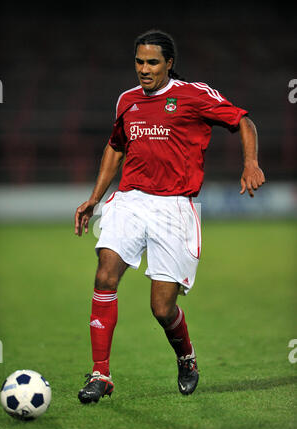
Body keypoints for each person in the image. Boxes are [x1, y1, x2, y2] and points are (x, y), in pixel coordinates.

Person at [74, 29, 265, 404]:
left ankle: (186, 358)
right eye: (139, 62)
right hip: (129, 199)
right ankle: (101, 373)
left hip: (175, 206)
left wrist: (251, 162)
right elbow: (115, 147)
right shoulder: (127, 101)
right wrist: (94, 199)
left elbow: (244, 121)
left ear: (169, 64)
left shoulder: (194, 95)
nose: (144, 70)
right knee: (105, 272)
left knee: (162, 308)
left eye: (152, 63)